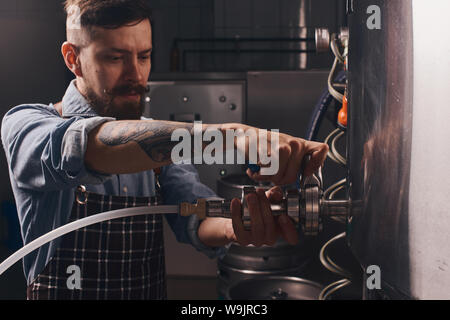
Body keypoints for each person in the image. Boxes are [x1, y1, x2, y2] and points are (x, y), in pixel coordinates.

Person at [0, 0, 328, 300]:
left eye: (144, 56)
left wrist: (235, 222)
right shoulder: (27, 125)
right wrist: (232, 137)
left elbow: (194, 214)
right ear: (74, 59)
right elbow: (89, 146)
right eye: (115, 57)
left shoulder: (158, 145)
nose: (136, 75)